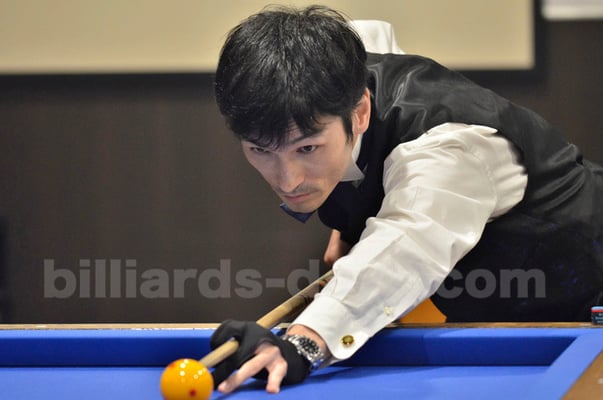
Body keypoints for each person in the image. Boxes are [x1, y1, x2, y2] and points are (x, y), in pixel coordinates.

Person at [209, 4, 603, 395]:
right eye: (260, 150)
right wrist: (353, 218)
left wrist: (305, 341)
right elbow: (372, 34)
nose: (288, 180)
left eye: (307, 148)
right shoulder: (339, 65)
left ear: (360, 113)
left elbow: (406, 244)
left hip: (587, 292)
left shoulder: (449, 150)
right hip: (506, 313)